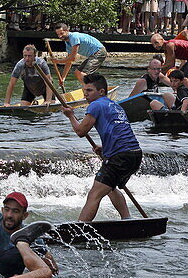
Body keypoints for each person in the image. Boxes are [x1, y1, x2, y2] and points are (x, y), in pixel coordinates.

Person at [61, 73, 142, 222]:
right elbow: (120, 132)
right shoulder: (116, 106)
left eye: (90, 90)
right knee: (110, 187)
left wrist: (71, 116)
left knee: (94, 194)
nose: (85, 94)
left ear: (102, 92)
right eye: (84, 90)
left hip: (121, 156)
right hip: (135, 154)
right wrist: (105, 149)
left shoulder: (96, 105)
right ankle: (127, 219)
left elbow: (80, 131)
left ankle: (80, 229)